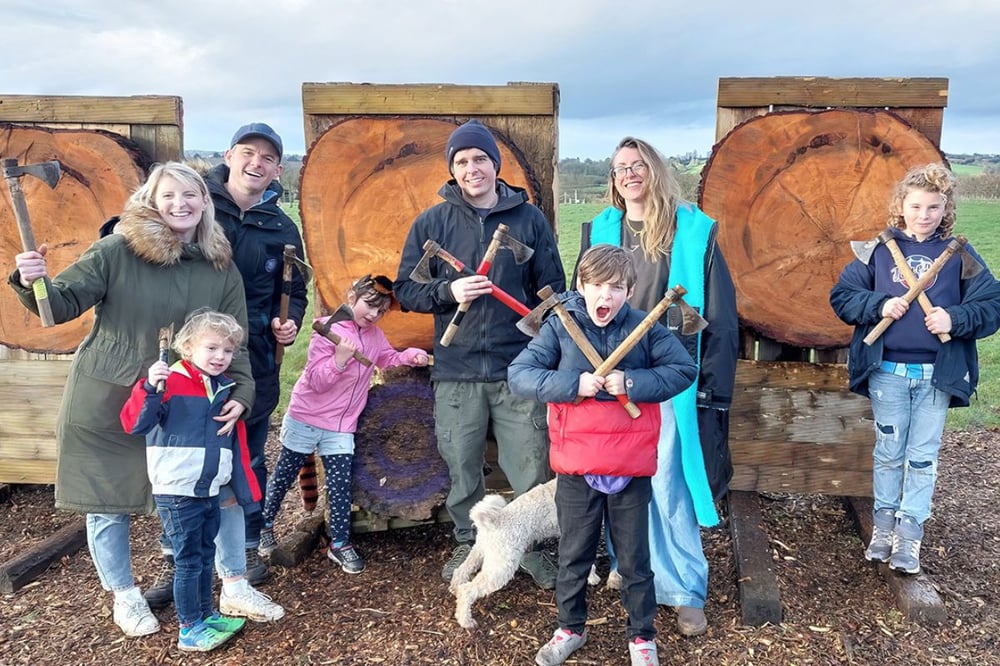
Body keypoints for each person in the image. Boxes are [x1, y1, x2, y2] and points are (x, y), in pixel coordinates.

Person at [8, 162, 254, 637]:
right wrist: (32, 279)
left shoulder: (220, 268)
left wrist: (242, 392)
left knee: (213, 495)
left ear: (205, 202)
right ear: (151, 202)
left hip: (188, 408)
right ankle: (124, 594)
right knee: (108, 501)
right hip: (109, 395)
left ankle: (231, 584)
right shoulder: (117, 250)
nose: (179, 205)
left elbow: (234, 339)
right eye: (168, 196)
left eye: (190, 195)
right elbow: (57, 306)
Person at [575, 137, 739, 636]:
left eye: (638, 164)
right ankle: (633, 572)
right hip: (611, 380)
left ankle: (684, 588)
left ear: (655, 170)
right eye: (621, 167)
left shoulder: (692, 229)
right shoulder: (602, 229)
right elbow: (580, 303)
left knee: (670, 486)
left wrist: (712, 385)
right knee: (623, 485)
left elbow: (721, 317)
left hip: (667, 380)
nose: (629, 173)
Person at [394, 119, 566, 587]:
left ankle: (529, 547)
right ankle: (468, 545)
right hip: (457, 368)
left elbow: (553, 290)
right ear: (453, 170)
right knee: (462, 462)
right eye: (463, 161)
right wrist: (449, 289)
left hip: (519, 368)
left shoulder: (527, 220)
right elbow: (407, 290)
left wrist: (543, 340)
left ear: (496, 164)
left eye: (480, 159)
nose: (473, 168)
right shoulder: (432, 223)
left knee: (531, 461)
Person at [509, 244, 698, 666]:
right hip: (577, 462)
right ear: (580, 286)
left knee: (634, 558)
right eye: (595, 285)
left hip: (629, 464)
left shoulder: (646, 327)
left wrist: (630, 382)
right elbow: (520, 375)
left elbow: (683, 370)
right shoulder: (560, 326)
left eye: (615, 287)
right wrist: (572, 385)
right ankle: (570, 628)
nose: (605, 296)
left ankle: (641, 636)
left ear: (629, 291)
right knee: (574, 554)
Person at [144, 122, 305, 611]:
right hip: (190, 352)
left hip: (252, 354)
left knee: (246, 450)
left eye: (268, 158)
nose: (257, 163)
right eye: (248, 152)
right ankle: (180, 556)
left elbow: (294, 289)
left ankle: (244, 551)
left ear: (278, 169)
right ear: (230, 155)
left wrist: (289, 323)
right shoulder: (197, 206)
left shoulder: (281, 225)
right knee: (180, 455)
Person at [830, 163, 1000, 574]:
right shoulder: (879, 251)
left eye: (934, 207)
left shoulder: (960, 256)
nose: (924, 215)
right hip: (888, 372)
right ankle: (883, 528)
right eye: (917, 206)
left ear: (946, 209)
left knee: (922, 457)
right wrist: (879, 306)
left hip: (936, 376)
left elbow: (992, 306)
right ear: (901, 207)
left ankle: (910, 536)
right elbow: (842, 297)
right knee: (889, 452)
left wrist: (954, 319)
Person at [258, 275, 430, 574]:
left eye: (381, 311)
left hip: (342, 425)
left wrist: (407, 356)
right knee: (285, 474)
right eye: (370, 306)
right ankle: (263, 526)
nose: (374, 315)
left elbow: (384, 358)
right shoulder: (329, 330)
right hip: (307, 417)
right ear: (352, 298)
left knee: (340, 482)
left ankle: (339, 542)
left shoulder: (374, 335)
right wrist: (338, 359)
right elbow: (316, 380)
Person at [120, 310, 254, 652]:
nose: (220, 357)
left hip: (207, 487)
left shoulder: (220, 387)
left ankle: (206, 615)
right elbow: (135, 423)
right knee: (188, 561)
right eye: (211, 349)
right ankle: (189, 628)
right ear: (188, 347)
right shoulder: (171, 382)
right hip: (177, 490)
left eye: (227, 351)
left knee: (206, 555)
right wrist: (149, 386)